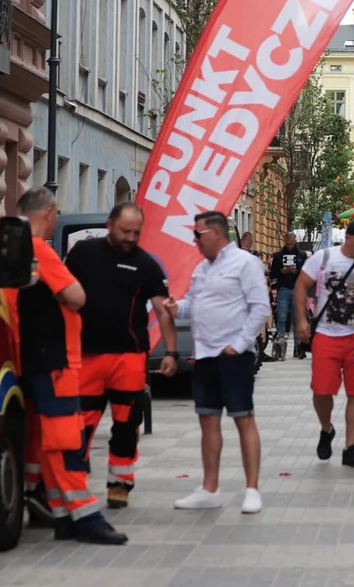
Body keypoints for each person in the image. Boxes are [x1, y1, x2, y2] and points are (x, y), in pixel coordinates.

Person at [7, 187, 127, 545]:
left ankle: (61, 514)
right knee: (66, 440)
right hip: (55, 360)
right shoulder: (39, 249)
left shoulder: (9, 252)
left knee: (45, 441)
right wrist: (66, 294)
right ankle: (85, 515)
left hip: (29, 357)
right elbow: (77, 296)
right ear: (49, 213)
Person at [63, 203, 177, 509]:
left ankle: (120, 484)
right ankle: (71, 485)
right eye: (125, 231)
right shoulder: (82, 255)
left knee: (127, 423)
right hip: (86, 356)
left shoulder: (145, 264)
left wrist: (171, 351)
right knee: (80, 424)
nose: (130, 237)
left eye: (136, 233)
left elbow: (163, 308)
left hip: (128, 357)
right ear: (109, 224)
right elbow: (59, 292)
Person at [166, 211, 269, 513]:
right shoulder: (202, 269)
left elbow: (260, 308)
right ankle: (210, 488)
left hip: (232, 355)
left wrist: (237, 346)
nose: (194, 240)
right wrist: (175, 307)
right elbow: (193, 305)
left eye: (197, 234)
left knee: (243, 417)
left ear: (214, 233)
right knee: (207, 419)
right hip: (205, 353)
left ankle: (252, 489)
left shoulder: (245, 263)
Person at [295, 219, 354, 467]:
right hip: (326, 334)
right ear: (350, 239)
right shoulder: (324, 257)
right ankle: (326, 429)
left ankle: (350, 447)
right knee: (322, 391)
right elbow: (301, 287)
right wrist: (302, 321)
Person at [269, 231, 308, 359]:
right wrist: (282, 271)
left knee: (297, 320)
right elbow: (273, 273)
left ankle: (297, 348)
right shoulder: (278, 255)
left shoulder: (302, 255)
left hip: (297, 290)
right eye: (288, 244)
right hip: (284, 289)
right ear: (285, 241)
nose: (290, 246)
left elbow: (306, 273)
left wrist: (296, 271)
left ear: (295, 240)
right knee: (281, 318)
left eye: (292, 244)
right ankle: (281, 346)